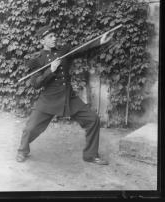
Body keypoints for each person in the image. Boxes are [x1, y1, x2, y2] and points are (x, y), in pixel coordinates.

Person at [16, 25, 112, 165]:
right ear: (42, 41)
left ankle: (90, 155)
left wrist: (100, 41)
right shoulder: (37, 60)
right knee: (30, 128)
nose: (55, 38)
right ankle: (22, 151)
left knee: (93, 119)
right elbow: (36, 84)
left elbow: (81, 49)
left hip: (68, 98)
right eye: (51, 37)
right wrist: (51, 70)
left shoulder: (63, 51)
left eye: (55, 35)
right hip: (49, 99)